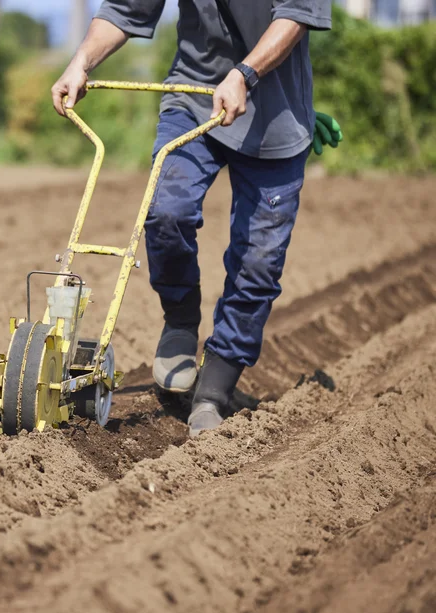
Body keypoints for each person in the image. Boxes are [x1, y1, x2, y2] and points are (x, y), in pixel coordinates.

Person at [51, 0, 343, 437]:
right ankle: (181, 319)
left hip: (276, 120)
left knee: (258, 265)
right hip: (193, 99)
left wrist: (244, 74)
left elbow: (297, 15)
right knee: (166, 210)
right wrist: (80, 62)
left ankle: (213, 392)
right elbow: (124, 10)